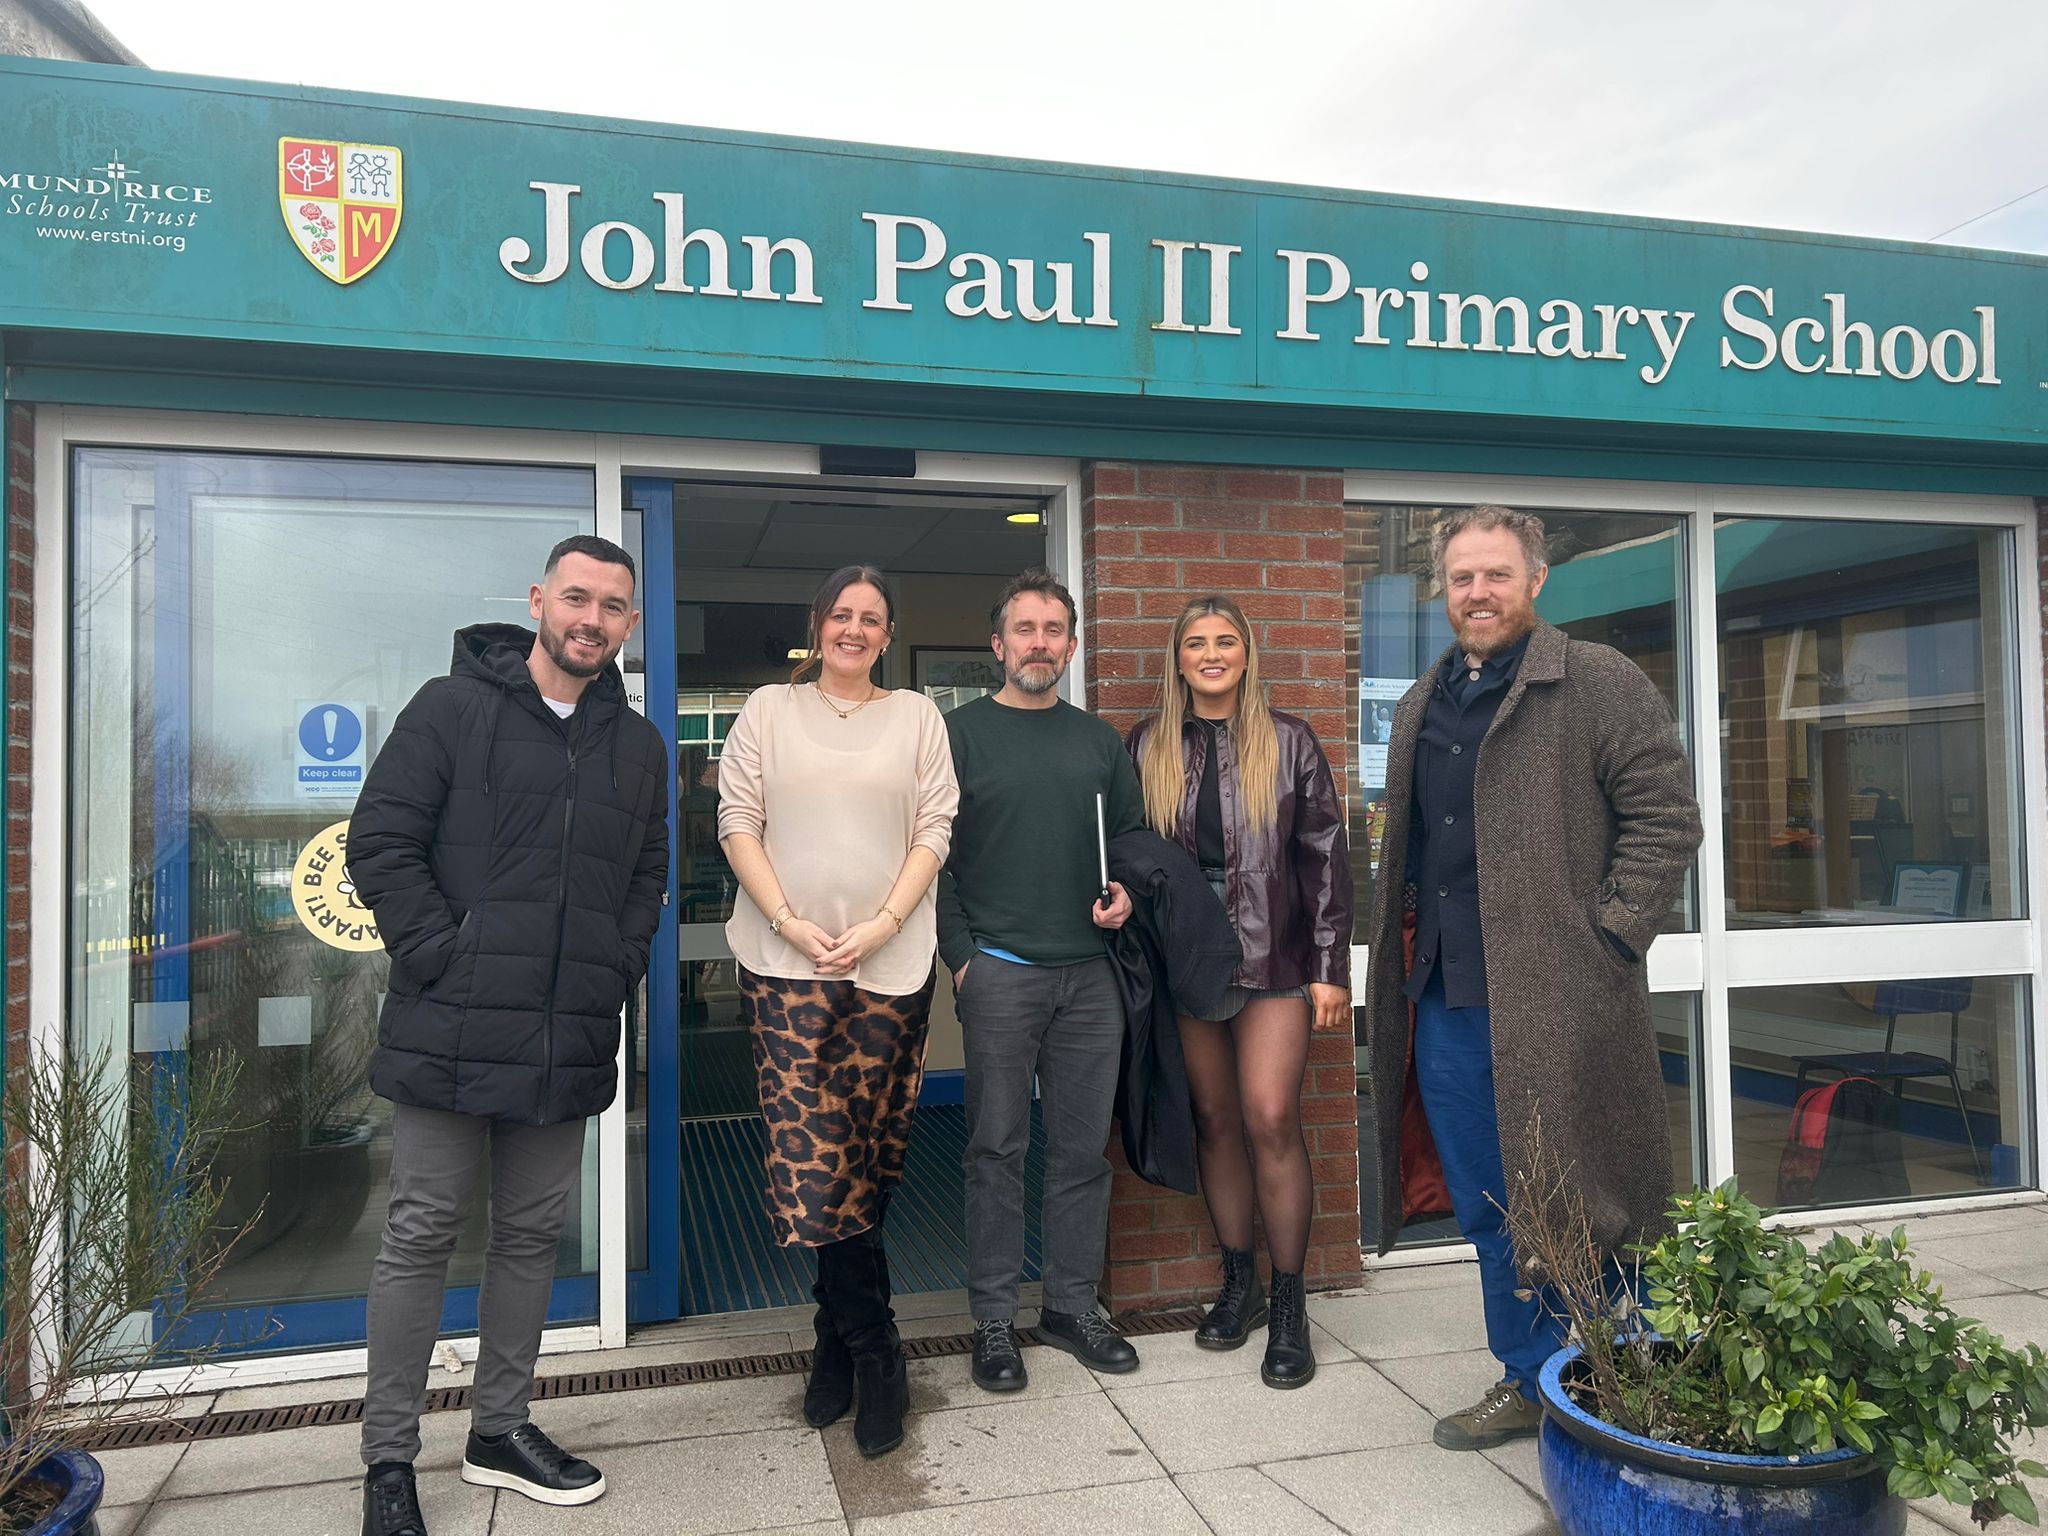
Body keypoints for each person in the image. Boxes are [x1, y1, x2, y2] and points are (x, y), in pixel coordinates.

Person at [1363, 505, 1701, 1451]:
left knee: (1585, 1196)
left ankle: (1619, 1378)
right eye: (1463, 577)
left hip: (1558, 1001)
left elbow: (1667, 820)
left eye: (1497, 575)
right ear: (1444, 589)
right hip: (1445, 1001)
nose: (1478, 593)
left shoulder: (1594, 681)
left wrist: (1609, 941)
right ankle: (1529, 1377)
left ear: (1536, 581)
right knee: (1491, 1204)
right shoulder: (1429, 697)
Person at [349, 535, 669, 1536]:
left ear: (626, 624)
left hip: (565, 1030)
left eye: (612, 607)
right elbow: (381, 841)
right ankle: (388, 1461)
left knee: (531, 1234)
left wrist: (616, 965)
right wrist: (446, 954)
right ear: (539, 600)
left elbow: (646, 877)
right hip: (449, 1024)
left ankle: (498, 1429)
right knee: (419, 1234)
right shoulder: (451, 711)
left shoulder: (639, 746)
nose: (591, 619)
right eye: (576, 598)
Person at [714, 564, 958, 1459]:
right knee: (815, 1161)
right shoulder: (768, 711)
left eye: (872, 619)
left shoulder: (917, 718)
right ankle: (876, 1349)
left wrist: (886, 922)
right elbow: (737, 818)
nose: (854, 629)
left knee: (870, 1154)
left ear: (887, 635)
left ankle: (831, 1339)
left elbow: (936, 825)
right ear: (818, 626)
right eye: (841, 615)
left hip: (891, 964)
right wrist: (790, 919)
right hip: (786, 964)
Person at [1128, 595, 1353, 1389]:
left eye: (1227, 641)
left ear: (1247, 654)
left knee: (1268, 1117)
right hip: (1189, 963)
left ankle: (1290, 1307)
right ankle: (1240, 1284)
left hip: (1277, 960)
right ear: (1179, 658)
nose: (1213, 653)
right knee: (1216, 1120)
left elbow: (1324, 860)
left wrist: (1330, 969)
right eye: (1197, 642)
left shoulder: (1289, 742)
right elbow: (1131, 856)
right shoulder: (1150, 745)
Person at [936, 567, 1146, 1391]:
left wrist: (1125, 895)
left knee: (1082, 1153)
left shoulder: (1097, 740)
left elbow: (1129, 843)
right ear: (997, 645)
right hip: (1000, 974)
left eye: (1054, 630)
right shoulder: (959, 736)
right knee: (994, 1149)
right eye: (1025, 629)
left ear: (1070, 644)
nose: (1040, 643)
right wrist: (964, 959)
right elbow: (934, 857)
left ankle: (1068, 1306)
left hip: (1090, 979)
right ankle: (993, 1321)